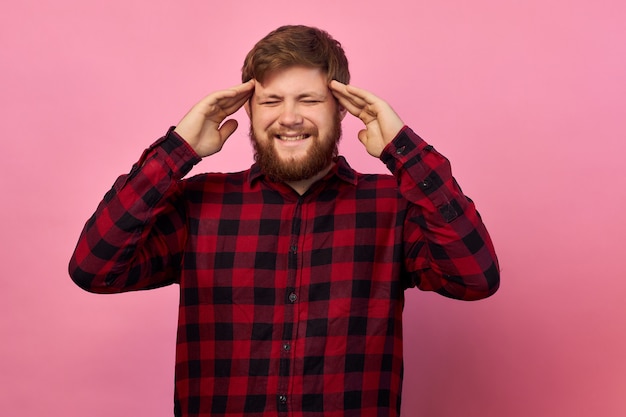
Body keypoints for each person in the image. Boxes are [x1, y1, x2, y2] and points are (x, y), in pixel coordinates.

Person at [69, 25, 499, 417]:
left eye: (309, 101)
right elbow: (94, 269)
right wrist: (178, 150)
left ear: (342, 110)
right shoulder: (197, 203)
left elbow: (475, 277)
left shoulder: (394, 206)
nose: (289, 117)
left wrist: (402, 150)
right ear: (250, 111)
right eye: (271, 101)